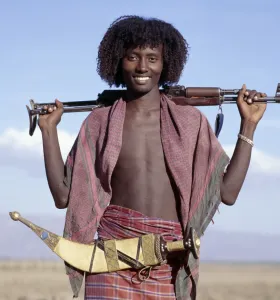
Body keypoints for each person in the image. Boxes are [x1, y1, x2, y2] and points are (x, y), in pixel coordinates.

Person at [38, 15, 267, 300]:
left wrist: (249, 125)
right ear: (118, 62)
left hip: (168, 263)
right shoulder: (99, 123)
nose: (143, 66)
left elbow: (228, 193)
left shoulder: (191, 124)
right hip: (109, 262)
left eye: (152, 58)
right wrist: (48, 132)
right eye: (133, 57)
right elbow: (63, 197)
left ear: (165, 63)